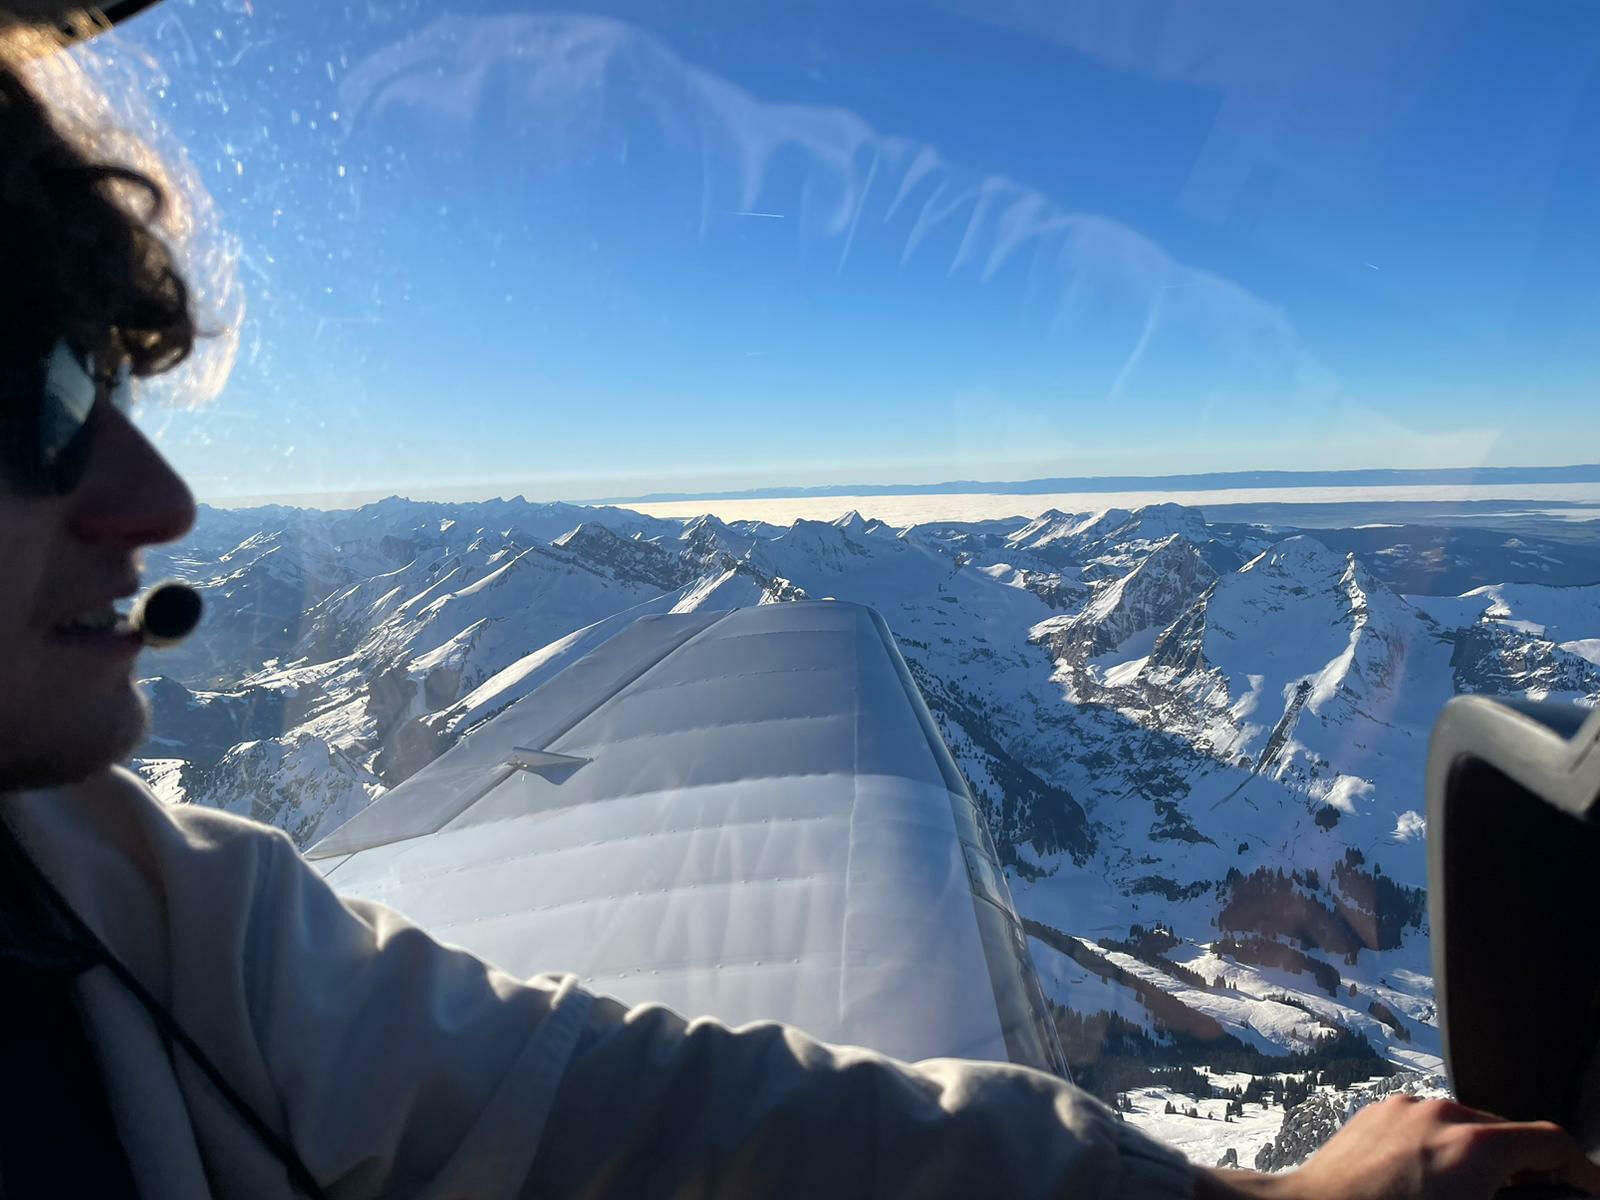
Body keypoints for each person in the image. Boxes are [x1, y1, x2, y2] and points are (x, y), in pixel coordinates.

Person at [0, 37, 1597, 1200]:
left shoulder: (107, 890)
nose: (157, 503)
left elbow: (593, 1104)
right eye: (40, 397)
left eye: (114, 386)